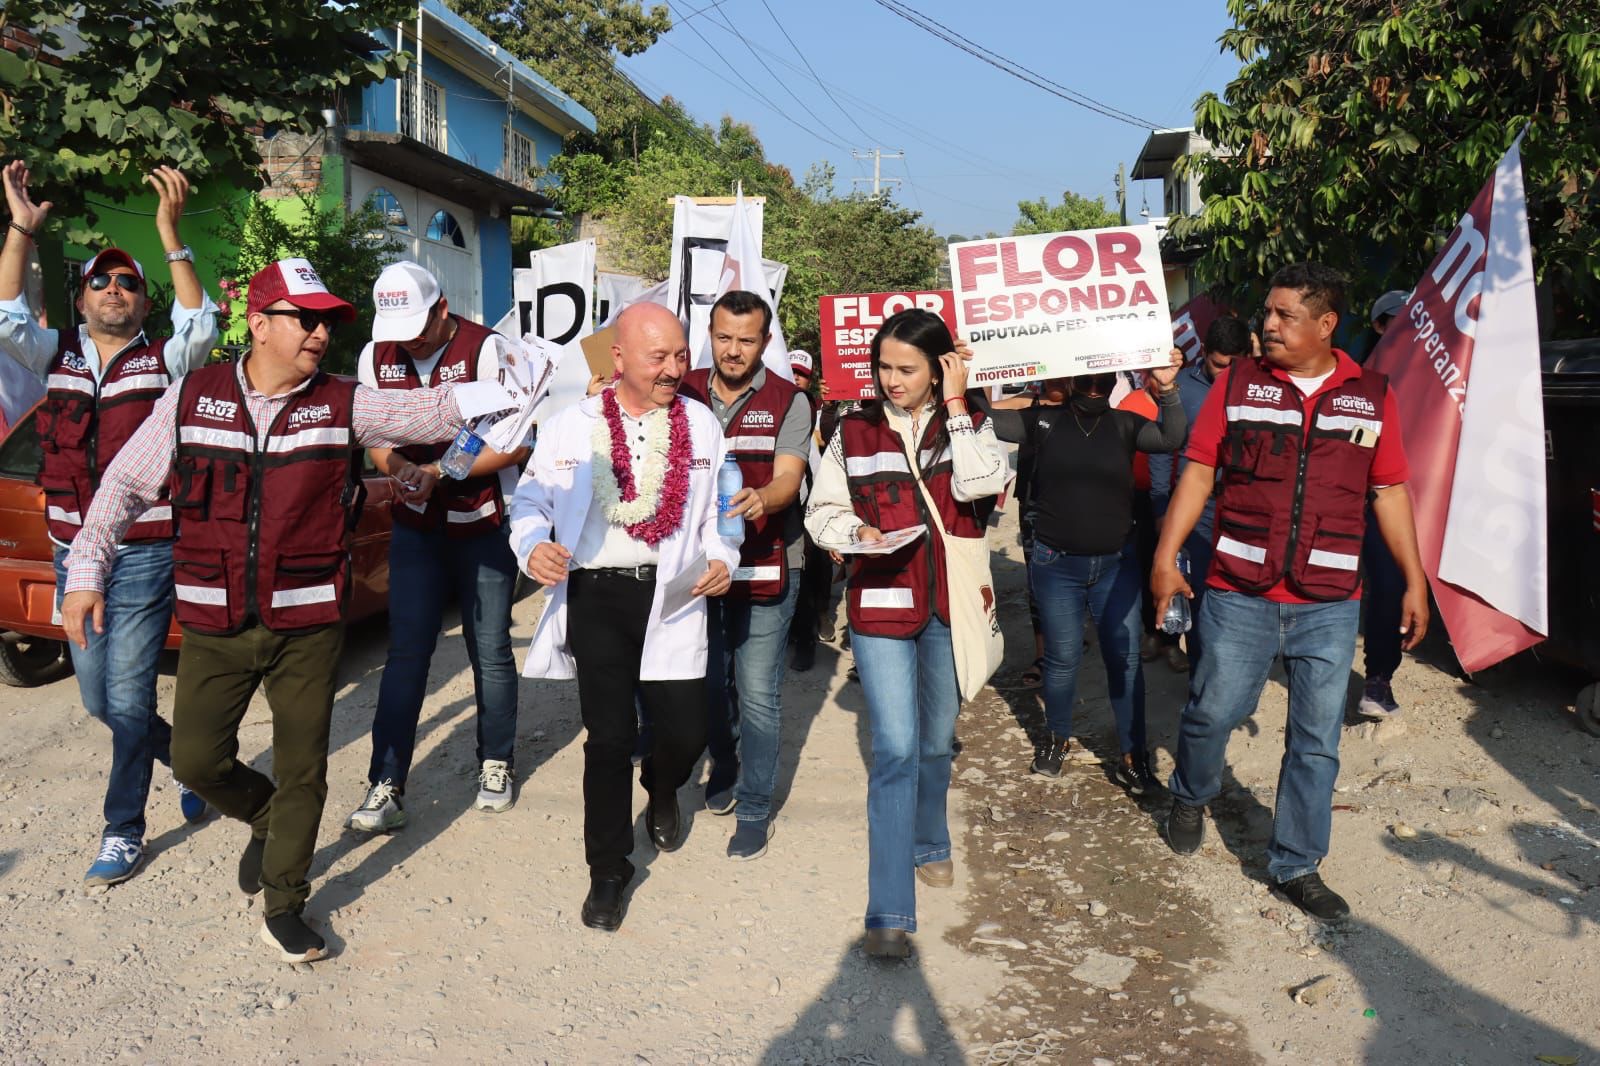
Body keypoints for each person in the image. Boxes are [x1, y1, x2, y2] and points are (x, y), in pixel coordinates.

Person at [59, 258, 504, 963]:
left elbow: (434, 411)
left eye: (328, 321)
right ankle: (265, 819)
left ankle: (284, 900)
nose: (321, 333)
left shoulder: (345, 401)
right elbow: (122, 487)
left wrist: (521, 377)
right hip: (214, 616)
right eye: (306, 318)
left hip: (308, 620)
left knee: (304, 769)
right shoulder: (189, 397)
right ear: (259, 323)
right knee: (200, 761)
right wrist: (86, 573)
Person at [1152, 263, 1429, 922]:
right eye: (1267, 313)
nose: (1267, 325)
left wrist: (1414, 579)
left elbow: (1388, 490)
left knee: (1315, 741)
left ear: (1327, 324)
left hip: (1330, 602)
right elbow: (1196, 473)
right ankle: (1191, 791)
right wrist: (1165, 559)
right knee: (1212, 712)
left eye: (1284, 316)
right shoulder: (1239, 384)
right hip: (1238, 592)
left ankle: (1297, 863)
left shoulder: (1372, 394)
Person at [0, 160, 217, 888]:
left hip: (145, 551)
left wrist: (170, 233)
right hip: (70, 553)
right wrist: (21, 233)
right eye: (102, 281)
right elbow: (5, 314)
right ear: (83, 296)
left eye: (128, 282)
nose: (115, 290)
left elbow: (202, 322)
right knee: (97, 697)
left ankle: (122, 828)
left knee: (126, 695)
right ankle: (195, 763)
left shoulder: (165, 363)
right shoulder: (53, 352)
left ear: (143, 300)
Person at [511, 303, 737, 933]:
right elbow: (528, 499)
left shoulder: (701, 424)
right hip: (597, 597)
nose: (674, 369)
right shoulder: (567, 427)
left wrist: (723, 554)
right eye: (657, 357)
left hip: (675, 597)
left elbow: (725, 509)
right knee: (607, 738)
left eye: (679, 355)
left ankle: (663, 789)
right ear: (619, 358)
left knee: (686, 732)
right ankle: (607, 870)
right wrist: (531, 543)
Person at [805, 308, 1007, 959]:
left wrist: (954, 402)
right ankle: (889, 910)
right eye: (884, 367)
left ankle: (931, 839)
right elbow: (823, 509)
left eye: (907, 368)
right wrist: (854, 533)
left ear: (939, 365)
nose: (892, 380)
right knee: (894, 746)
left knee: (936, 743)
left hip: (951, 608)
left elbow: (983, 485)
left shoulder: (971, 422)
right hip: (879, 605)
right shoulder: (851, 431)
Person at [347, 262, 528, 832]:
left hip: (483, 522)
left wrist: (441, 472)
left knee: (490, 649)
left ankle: (495, 760)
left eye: (419, 325)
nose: (409, 339)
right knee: (406, 652)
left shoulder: (490, 351)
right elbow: (376, 438)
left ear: (443, 308)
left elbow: (515, 442)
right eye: (397, 327)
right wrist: (401, 467)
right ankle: (386, 781)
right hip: (415, 526)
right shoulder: (376, 355)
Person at [981, 354, 1185, 792]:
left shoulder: (1125, 424)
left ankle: (1133, 757)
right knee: (1062, 659)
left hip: (1116, 565)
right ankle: (1056, 739)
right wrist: (971, 374)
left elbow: (1172, 436)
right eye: (1087, 381)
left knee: (1124, 660)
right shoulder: (1041, 422)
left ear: (1110, 379)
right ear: (1073, 378)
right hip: (1058, 566)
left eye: (1102, 381)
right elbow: (987, 419)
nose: (1094, 388)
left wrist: (1167, 388)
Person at [677, 291, 811, 860]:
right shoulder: (679, 390)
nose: (734, 351)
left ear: (766, 340)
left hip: (768, 561)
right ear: (709, 333)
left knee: (757, 692)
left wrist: (765, 498)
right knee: (706, 682)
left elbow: (789, 478)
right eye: (724, 337)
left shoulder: (789, 400)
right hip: (699, 568)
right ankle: (726, 767)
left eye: (747, 339)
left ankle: (755, 808)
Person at [1149, 315, 1253, 671]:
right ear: (1204, 352)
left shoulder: (1260, 388)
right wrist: (1162, 507)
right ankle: (1200, 675)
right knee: (1199, 594)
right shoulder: (1182, 391)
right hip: (1198, 510)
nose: (1225, 375)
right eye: (1218, 365)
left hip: (1247, 512)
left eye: (1234, 366)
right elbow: (1164, 450)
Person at [988, 376, 1067, 688]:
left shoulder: (1088, 406)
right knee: (1038, 576)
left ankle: (1067, 642)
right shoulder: (1027, 403)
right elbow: (985, 411)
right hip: (1035, 501)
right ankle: (1042, 654)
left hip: (1076, 507)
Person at [1355, 291, 1410, 718]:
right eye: (1395, 321)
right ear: (1378, 326)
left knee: (1395, 584)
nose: (1404, 330)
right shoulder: (1361, 379)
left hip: (1408, 496)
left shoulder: (1432, 374)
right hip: (1365, 496)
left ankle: (1379, 679)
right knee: (1376, 584)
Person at [785, 349, 834, 673]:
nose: (795, 378)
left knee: (817, 564)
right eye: (791, 372)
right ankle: (802, 636)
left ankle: (820, 613)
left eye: (801, 374)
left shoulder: (819, 408)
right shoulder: (776, 403)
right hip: (788, 499)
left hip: (814, 496)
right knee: (797, 570)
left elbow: (824, 450)